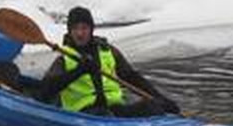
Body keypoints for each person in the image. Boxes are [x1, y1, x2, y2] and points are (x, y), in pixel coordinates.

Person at [40, 6, 181, 117]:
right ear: (69, 31)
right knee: (104, 114)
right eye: (75, 29)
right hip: (85, 113)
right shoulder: (64, 59)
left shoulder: (108, 51)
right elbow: (46, 91)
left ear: (91, 29)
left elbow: (132, 77)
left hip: (115, 109)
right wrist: (79, 71)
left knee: (153, 107)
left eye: (84, 28)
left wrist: (160, 98)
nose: (80, 33)